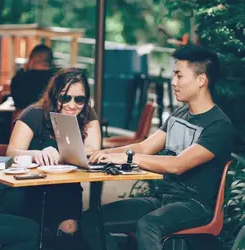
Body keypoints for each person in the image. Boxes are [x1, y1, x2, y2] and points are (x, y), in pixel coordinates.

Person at [81, 45, 234, 250]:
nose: (173, 82)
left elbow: (178, 165)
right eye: (174, 75)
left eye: (179, 76)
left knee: (148, 225)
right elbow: (145, 147)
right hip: (161, 199)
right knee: (91, 220)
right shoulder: (179, 115)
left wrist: (127, 158)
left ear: (201, 80)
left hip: (195, 205)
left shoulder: (218, 126)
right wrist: (104, 154)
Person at [6, 67, 101, 250]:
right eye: (65, 98)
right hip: (31, 189)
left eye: (79, 99)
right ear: (54, 95)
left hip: (66, 189)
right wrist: (36, 154)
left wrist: (65, 154)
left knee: (70, 231)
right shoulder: (34, 113)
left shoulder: (87, 114)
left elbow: (92, 149)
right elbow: (11, 152)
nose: (72, 105)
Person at [10, 44, 54, 109]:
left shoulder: (18, 80)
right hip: (49, 117)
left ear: (31, 61)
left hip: (23, 117)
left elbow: (17, 103)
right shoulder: (57, 80)